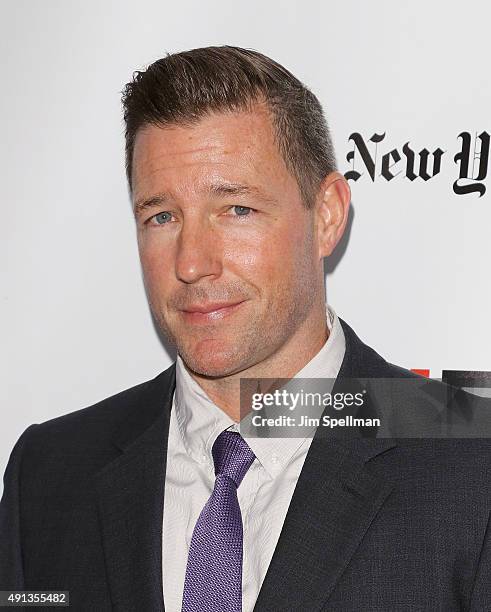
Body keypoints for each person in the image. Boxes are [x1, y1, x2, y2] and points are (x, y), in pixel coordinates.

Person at [1, 45, 490, 612]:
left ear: (327, 214)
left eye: (236, 210)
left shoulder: (473, 468)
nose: (191, 262)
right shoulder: (50, 473)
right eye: (161, 216)